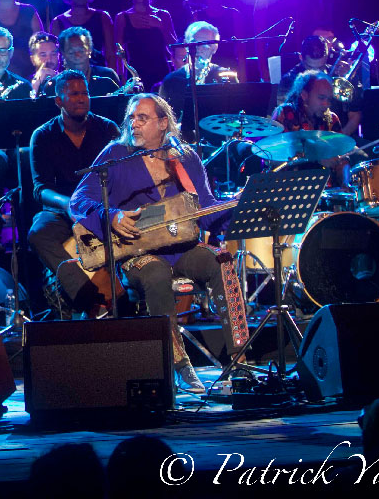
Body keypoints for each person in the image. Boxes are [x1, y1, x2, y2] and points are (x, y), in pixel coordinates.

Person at [69, 94, 231, 393]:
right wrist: (112, 216)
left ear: (163, 123)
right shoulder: (116, 153)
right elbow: (79, 200)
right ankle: (179, 364)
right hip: (137, 253)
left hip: (181, 248)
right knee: (155, 274)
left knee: (221, 260)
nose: (134, 123)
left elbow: (206, 209)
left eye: (142, 118)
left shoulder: (185, 157)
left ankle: (239, 359)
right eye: (131, 117)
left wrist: (235, 207)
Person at [28, 71, 120, 313]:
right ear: (59, 101)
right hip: (62, 210)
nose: (82, 99)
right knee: (38, 232)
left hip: (101, 206)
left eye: (85, 93)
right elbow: (40, 189)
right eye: (74, 94)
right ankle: (85, 294)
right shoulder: (43, 136)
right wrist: (69, 204)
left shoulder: (107, 129)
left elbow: (122, 175)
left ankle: (126, 292)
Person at [277, 33, 361, 137]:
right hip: (301, 142)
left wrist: (338, 141)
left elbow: (355, 115)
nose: (315, 73)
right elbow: (285, 118)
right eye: (310, 68)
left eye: (320, 68)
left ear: (326, 56)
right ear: (300, 57)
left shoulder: (338, 75)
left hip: (337, 139)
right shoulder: (289, 80)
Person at [271, 71, 348, 173]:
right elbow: (274, 157)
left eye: (329, 99)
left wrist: (345, 181)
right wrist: (317, 157)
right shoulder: (285, 113)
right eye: (321, 98)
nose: (326, 104)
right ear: (304, 95)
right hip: (290, 183)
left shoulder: (332, 119)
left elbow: (343, 158)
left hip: (325, 185)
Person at [158, 21, 236, 121]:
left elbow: (236, 120)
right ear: (186, 45)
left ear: (215, 48)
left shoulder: (226, 76)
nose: (199, 49)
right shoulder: (171, 80)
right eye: (195, 43)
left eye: (205, 44)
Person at [114, 0, 176, 88]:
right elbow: (118, 54)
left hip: (161, 73)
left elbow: (175, 49)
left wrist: (161, 26)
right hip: (135, 76)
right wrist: (121, 79)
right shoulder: (122, 17)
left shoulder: (163, 15)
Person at [48, 0, 115, 70]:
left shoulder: (103, 17)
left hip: (99, 75)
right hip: (69, 78)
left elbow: (111, 55)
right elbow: (56, 57)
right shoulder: (58, 22)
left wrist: (114, 80)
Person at [184, 0, 244, 79]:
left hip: (230, 67)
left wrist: (243, 78)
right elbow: (192, 50)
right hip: (205, 69)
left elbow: (241, 49)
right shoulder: (197, 16)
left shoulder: (234, 14)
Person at [49, 27, 121, 97]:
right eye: (71, 52)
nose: (77, 55)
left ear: (89, 50)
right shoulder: (54, 84)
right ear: (63, 53)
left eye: (81, 50)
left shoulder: (107, 75)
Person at [27, 31, 60, 97]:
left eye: (53, 54)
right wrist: (36, 84)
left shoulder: (67, 81)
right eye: (43, 55)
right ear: (33, 59)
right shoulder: (25, 84)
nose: (49, 59)